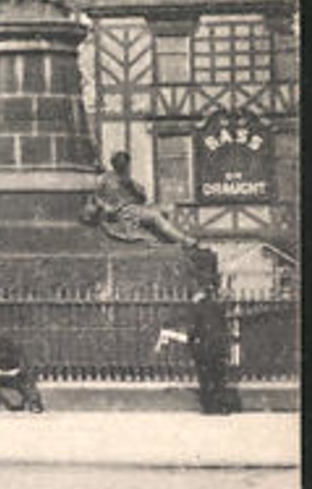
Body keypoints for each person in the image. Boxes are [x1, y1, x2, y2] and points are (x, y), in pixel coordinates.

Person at [157, 261, 241, 414]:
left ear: (198, 294)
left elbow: (194, 329)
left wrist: (189, 340)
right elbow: (223, 326)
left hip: (204, 347)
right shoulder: (217, 306)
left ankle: (210, 408)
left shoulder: (196, 308)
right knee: (219, 377)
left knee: (205, 378)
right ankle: (222, 408)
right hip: (219, 346)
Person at [83, 151, 200, 248]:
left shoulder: (127, 179)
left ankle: (170, 240)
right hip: (125, 211)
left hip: (137, 208)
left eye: (125, 164)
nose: (126, 167)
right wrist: (106, 207)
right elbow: (95, 197)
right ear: (116, 164)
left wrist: (133, 187)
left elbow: (142, 197)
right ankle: (183, 240)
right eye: (123, 164)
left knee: (168, 209)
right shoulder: (105, 178)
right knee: (155, 216)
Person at [0, 336, 44, 413]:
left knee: (27, 379)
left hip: (15, 378)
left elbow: (24, 367)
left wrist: (15, 371)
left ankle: (34, 403)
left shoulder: (18, 351)